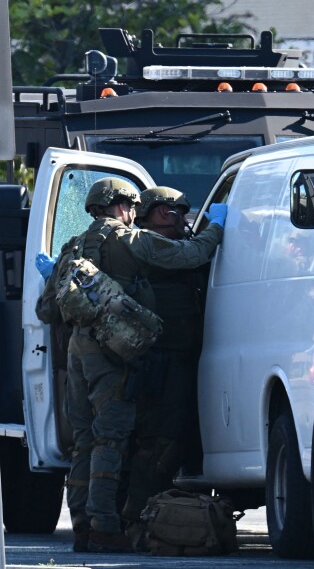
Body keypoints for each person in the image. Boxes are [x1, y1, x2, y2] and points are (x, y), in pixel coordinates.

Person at [38, 177, 227, 553]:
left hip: (78, 348)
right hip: (111, 349)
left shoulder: (72, 247)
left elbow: (45, 309)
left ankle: (81, 527)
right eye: (130, 206)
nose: (133, 213)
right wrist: (216, 228)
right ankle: (105, 527)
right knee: (111, 437)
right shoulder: (127, 239)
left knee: (83, 441)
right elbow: (189, 256)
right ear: (119, 205)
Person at [121, 186, 208, 549]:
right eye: (169, 211)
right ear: (149, 214)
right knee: (158, 442)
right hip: (158, 362)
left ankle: (145, 518)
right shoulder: (148, 246)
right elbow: (193, 254)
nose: (179, 217)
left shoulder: (170, 245)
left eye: (182, 211)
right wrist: (214, 230)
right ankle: (135, 522)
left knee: (168, 439)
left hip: (180, 359)